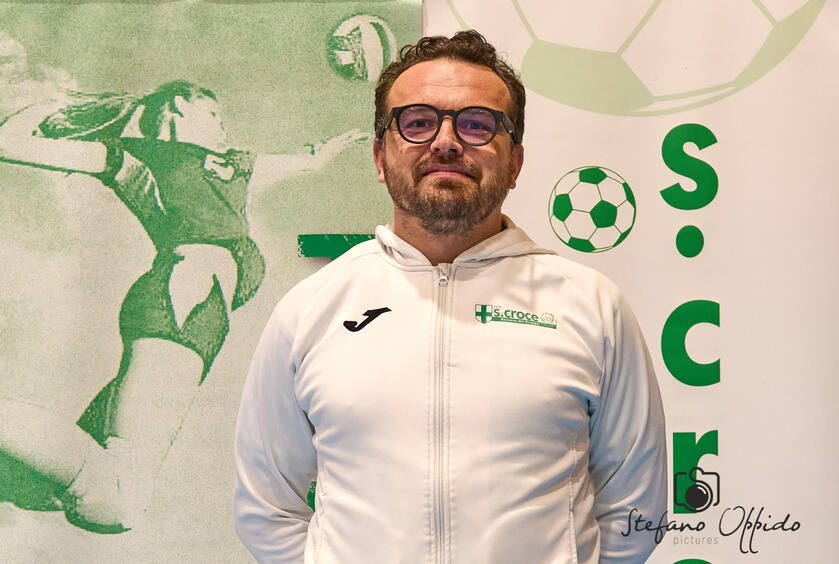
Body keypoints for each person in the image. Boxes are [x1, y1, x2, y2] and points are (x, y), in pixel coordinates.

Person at [234, 31, 667, 563]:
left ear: (515, 162)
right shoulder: (310, 310)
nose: (445, 141)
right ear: (379, 157)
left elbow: (635, 514)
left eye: (477, 124)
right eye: (417, 122)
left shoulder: (593, 306)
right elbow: (266, 509)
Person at [0, 79, 364, 532]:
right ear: (176, 108)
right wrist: (42, 109)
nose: (223, 127)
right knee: (114, 498)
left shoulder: (233, 167)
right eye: (213, 114)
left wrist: (349, 142)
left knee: (42, 492)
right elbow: (11, 145)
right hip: (182, 297)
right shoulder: (137, 157)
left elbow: (308, 160)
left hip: (197, 315)